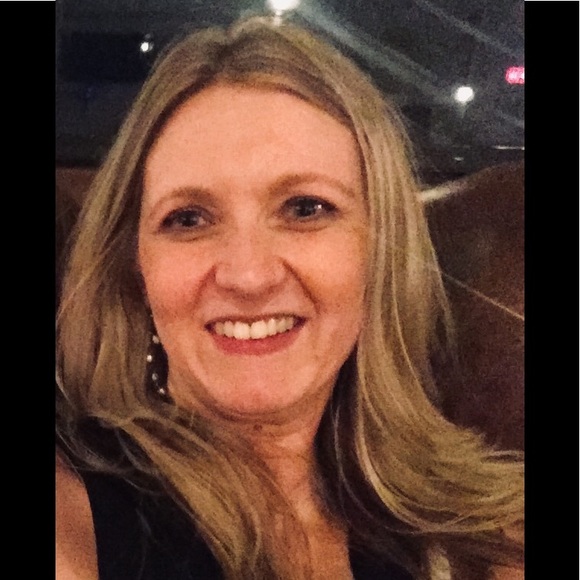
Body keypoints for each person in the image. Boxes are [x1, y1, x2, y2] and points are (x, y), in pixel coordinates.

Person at [56, 15, 524, 580]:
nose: (248, 275)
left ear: (378, 250)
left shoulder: (480, 532)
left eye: (305, 209)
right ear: (135, 269)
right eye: (189, 219)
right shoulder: (74, 514)